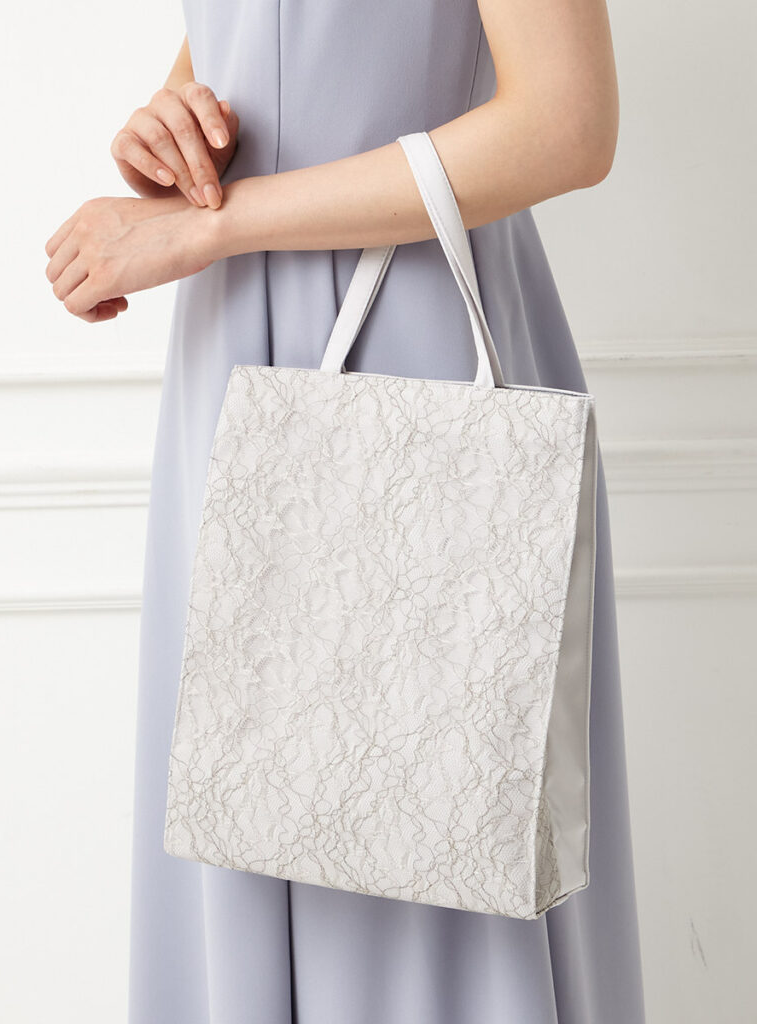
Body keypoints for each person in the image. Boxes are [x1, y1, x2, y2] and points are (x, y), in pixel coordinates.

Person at [44, 1, 646, 1021]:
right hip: (231, 353)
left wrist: (213, 223)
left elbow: (568, 123)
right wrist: (176, 123)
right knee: (242, 804)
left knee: (431, 822)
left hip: (417, 351)